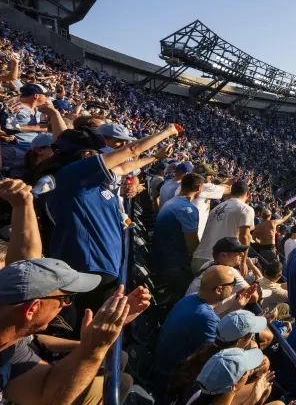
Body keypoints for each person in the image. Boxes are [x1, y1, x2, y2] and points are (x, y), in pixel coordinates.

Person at [38, 124, 181, 327]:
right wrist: (167, 131)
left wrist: (156, 158)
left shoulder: (88, 180)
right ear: (87, 153)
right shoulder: (71, 176)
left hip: (103, 268)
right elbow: (131, 151)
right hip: (89, 269)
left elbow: (124, 167)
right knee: (92, 328)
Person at [0, 258, 147, 405]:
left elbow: (43, 389)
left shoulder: (12, 343)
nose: (66, 305)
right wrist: (93, 349)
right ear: (32, 309)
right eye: (66, 298)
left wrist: (91, 341)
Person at [152, 265, 256, 396]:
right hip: (172, 379)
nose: (234, 287)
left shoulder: (192, 298)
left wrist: (235, 308)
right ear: (219, 289)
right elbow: (219, 356)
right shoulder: (205, 317)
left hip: (163, 367)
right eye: (232, 284)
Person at [168, 310, 269, 405]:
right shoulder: (220, 368)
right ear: (233, 385)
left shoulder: (210, 355)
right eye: (244, 372)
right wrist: (253, 400)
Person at [152, 172, 203, 302]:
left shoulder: (171, 202)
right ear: (199, 188)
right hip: (174, 264)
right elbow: (192, 244)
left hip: (161, 257)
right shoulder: (187, 209)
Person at [193, 181, 255, 275]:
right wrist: (243, 261)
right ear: (248, 194)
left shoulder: (217, 207)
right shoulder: (245, 209)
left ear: (231, 193)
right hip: (217, 262)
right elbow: (244, 236)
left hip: (198, 257)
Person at [188, 348, 273, 405]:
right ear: (234, 385)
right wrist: (252, 399)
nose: (251, 370)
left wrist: (246, 373)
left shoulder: (201, 389)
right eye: (247, 371)